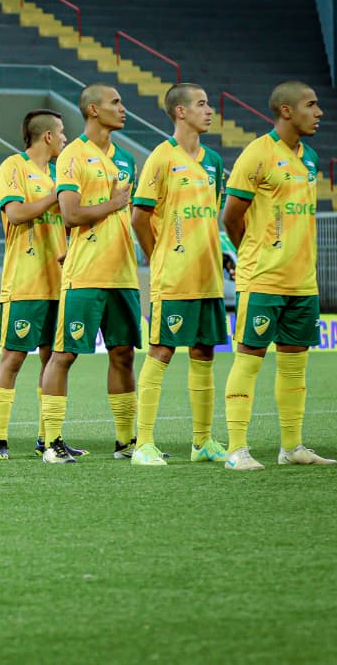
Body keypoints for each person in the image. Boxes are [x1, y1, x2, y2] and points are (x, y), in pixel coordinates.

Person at [220, 81, 336, 470]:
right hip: (263, 279)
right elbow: (231, 217)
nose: (318, 112)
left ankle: (292, 447)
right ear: (286, 110)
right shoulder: (257, 154)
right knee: (249, 359)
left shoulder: (311, 157)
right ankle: (237, 450)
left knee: (294, 364)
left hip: (303, 281)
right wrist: (254, 254)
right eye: (311, 104)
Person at [38, 84, 140, 464]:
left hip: (123, 274)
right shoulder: (72, 156)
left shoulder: (126, 158)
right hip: (85, 274)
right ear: (94, 110)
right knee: (64, 355)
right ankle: (52, 442)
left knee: (123, 354)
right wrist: (113, 203)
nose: (123, 108)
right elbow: (70, 213)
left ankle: (126, 441)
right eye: (116, 102)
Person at [130, 84, 230, 466]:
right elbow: (140, 216)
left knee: (204, 351)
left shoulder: (214, 162)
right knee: (161, 351)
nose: (209, 110)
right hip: (173, 276)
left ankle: (202, 441)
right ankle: (144, 443)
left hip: (208, 277)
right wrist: (159, 254)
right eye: (201, 104)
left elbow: (211, 217)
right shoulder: (161, 158)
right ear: (180, 112)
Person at [0, 110, 70, 461]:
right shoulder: (13, 167)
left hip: (59, 284)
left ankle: (49, 439)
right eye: (62, 133)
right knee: (14, 357)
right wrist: (57, 196)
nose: (66, 139)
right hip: (25, 282)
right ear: (47, 136)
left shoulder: (60, 173)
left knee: (53, 361)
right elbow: (17, 214)